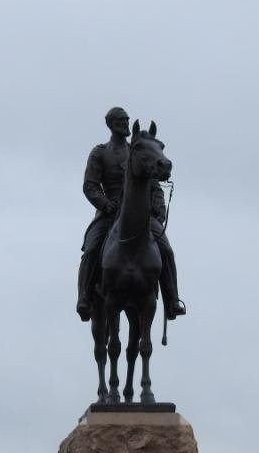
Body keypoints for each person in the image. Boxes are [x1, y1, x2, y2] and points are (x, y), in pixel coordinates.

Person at [76, 106, 186, 322]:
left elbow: (154, 184)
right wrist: (105, 204)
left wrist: (159, 210)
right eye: (119, 121)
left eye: (126, 121)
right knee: (91, 249)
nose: (124, 125)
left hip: (142, 214)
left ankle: (172, 300)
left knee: (166, 249)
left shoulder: (139, 150)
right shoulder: (100, 152)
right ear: (110, 125)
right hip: (109, 212)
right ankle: (85, 297)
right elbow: (90, 185)